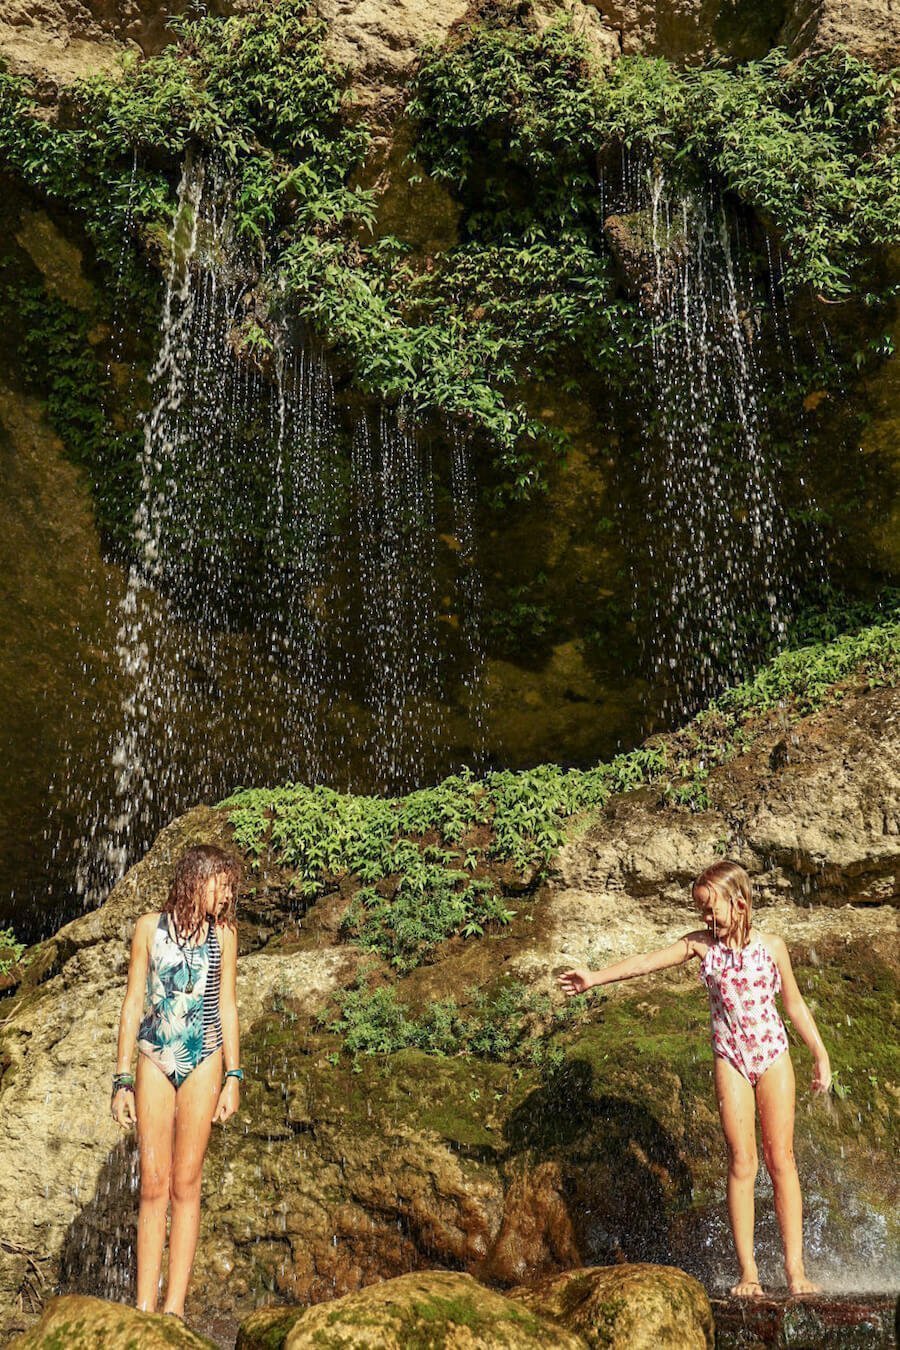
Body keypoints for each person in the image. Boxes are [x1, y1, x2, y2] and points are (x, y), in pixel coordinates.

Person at [558, 858, 831, 1298]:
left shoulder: (773, 946)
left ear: (738, 904)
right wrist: (595, 978)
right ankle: (749, 1274)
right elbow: (646, 962)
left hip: (774, 1057)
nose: (706, 918)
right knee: (743, 1162)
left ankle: (796, 1270)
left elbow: (795, 1005)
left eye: (711, 909)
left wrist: (820, 1055)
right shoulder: (701, 946)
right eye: (701, 911)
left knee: (781, 1160)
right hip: (731, 1060)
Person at [111, 843, 243, 1318]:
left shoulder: (223, 934)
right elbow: (131, 1003)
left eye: (230, 886)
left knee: (186, 1182)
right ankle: (143, 1308)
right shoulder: (149, 928)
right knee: (153, 1184)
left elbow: (227, 1004)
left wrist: (234, 1075)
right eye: (220, 885)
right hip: (153, 1057)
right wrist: (121, 1078)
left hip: (204, 1057)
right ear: (195, 880)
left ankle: (174, 1310)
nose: (227, 895)